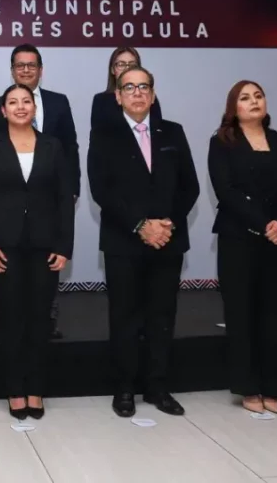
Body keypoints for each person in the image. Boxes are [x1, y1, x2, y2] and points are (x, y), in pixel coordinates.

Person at [88, 66, 199, 418]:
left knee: (162, 316)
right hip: (124, 242)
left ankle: (158, 387)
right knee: (125, 317)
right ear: (118, 95)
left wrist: (164, 226)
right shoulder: (104, 134)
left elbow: (190, 187)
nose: (137, 92)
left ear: (152, 94)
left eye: (144, 87)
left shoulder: (173, 132)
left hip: (168, 241)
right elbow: (101, 189)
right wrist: (140, 226)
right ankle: (124, 389)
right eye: (129, 87)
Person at [0, 83, 74, 420]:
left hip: (46, 248)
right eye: (12, 102)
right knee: (11, 319)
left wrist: (63, 246)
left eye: (25, 101)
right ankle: (15, 389)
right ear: (3, 110)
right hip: (4, 249)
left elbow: (64, 200)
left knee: (40, 320)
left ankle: (36, 388)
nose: (19, 107)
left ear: (34, 108)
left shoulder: (53, 145)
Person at [0, 44, 79, 339]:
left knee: (45, 282)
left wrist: (72, 189)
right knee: (11, 303)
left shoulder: (59, 102)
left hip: (49, 201)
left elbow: (70, 147)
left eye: (31, 65)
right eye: (20, 65)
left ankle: (49, 323)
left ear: (41, 69)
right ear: (12, 70)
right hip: (10, 213)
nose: (26, 70)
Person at [208, 80, 277, 414]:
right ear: (233, 107)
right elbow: (225, 191)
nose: (254, 101)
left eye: (258, 96)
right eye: (245, 98)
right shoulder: (222, 143)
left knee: (275, 315)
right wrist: (262, 223)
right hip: (239, 238)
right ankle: (248, 387)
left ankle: (273, 386)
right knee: (241, 314)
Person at [90, 47, 163, 131]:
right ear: (112, 70)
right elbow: (98, 137)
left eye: (132, 65)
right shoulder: (101, 100)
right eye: (121, 64)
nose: (127, 69)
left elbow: (158, 132)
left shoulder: (147, 97)